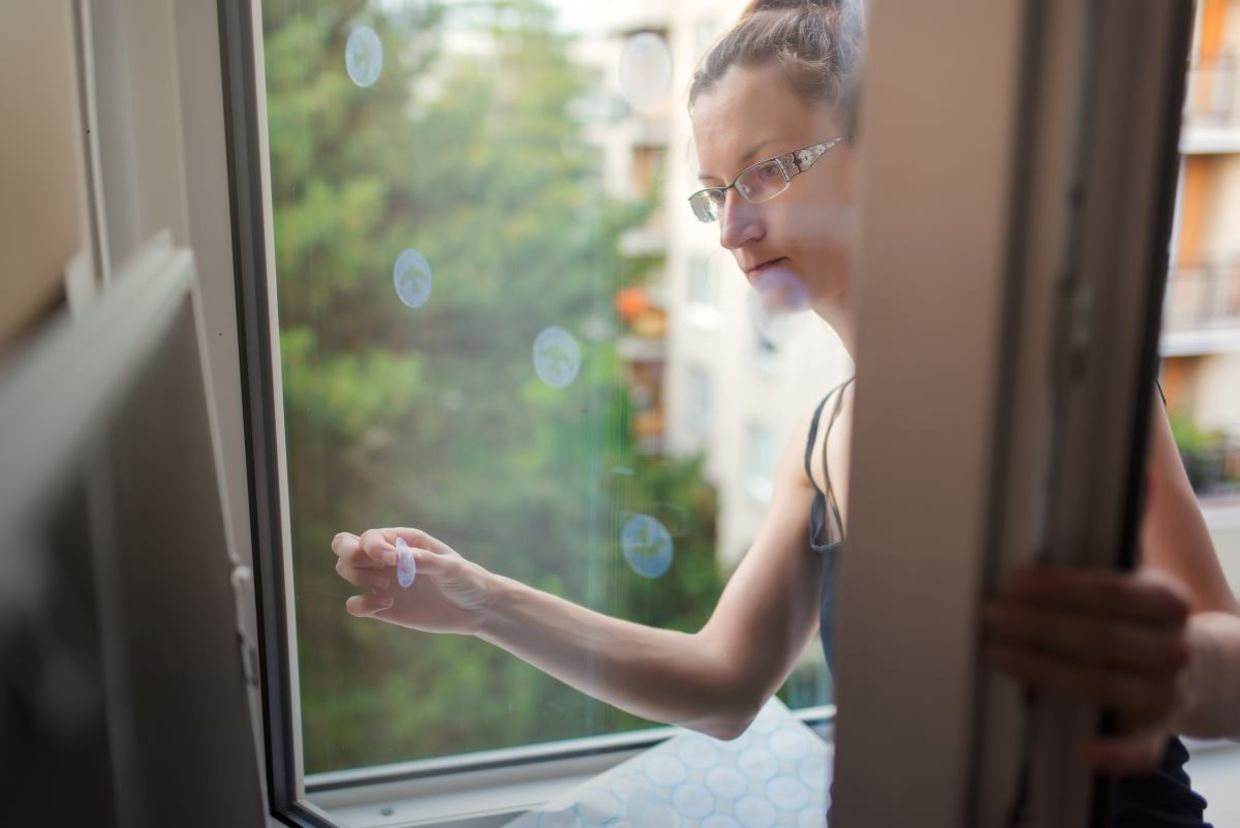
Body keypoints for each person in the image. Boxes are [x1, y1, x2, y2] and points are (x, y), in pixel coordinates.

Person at [333, 0, 1240, 822]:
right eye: (714, 193)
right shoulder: (823, 441)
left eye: (765, 173)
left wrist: (1182, 667)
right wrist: (480, 600)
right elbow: (724, 683)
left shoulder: (1055, 382)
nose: (731, 230)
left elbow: (1229, 662)